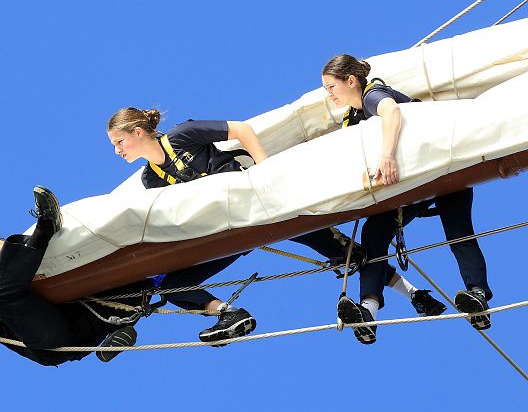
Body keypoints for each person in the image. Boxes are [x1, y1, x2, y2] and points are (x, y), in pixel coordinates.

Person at [106, 108, 444, 343]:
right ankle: (228, 313)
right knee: (170, 283)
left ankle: (414, 294)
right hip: (227, 231)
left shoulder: (182, 135)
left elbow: (240, 129)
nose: (117, 150)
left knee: (347, 254)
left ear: (138, 132)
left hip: (260, 205)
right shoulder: (152, 178)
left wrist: (266, 173)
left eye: (119, 142)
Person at [322, 54, 493, 344]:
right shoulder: (351, 121)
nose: (328, 94)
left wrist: (387, 156)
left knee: (458, 232)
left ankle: (477, 295)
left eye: (330, 87)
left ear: (350, 81)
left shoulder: (372, 94)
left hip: (442, 170)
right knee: (374, 233)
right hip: (411, 187)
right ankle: (368, 311)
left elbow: (392, 112)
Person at [0, 186, 149, 365]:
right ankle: (45, 229)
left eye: (7, 249)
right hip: (52, 341)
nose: (4, 254)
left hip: (87, 318)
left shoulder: (33, 265)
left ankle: (120, 327)